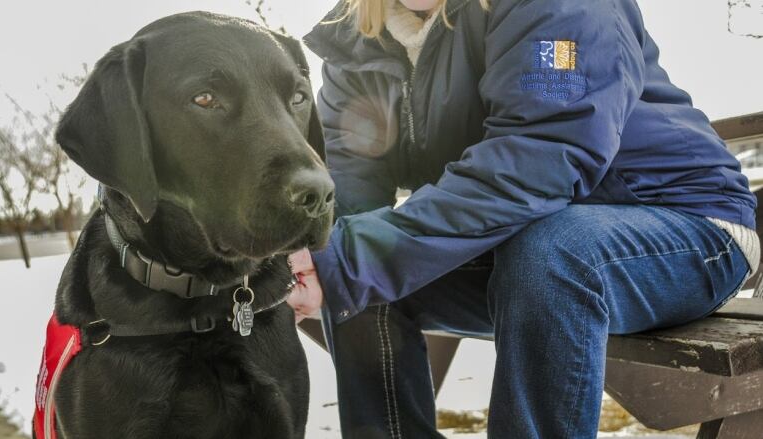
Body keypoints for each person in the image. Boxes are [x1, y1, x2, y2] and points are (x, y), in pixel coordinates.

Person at [287, 0, 760, 437]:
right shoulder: (354, 40)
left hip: (689, 227)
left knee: (551, 251)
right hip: (525, 239)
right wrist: (307, 262)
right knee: (354, 273)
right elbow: (349, 200)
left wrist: (349, 257)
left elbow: (545, 155)